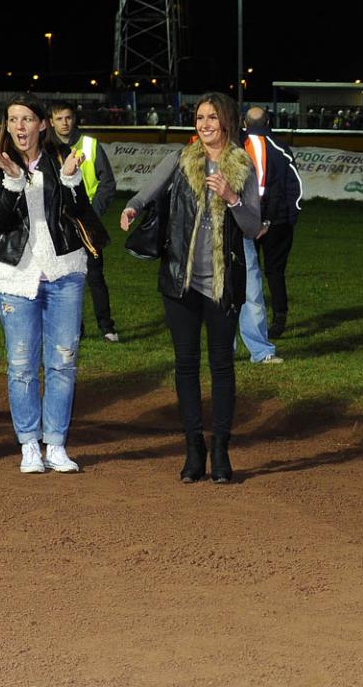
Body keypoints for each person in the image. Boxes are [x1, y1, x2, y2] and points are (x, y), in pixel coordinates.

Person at [121, 92, 261, 484]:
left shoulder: (242, 165)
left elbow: (253, 226)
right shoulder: (182, 160)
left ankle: (220, 449)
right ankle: (193, 448)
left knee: (221, 366)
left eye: (212, 117)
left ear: (227, 122)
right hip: (179, 282)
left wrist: (232, 197)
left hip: (221, 285)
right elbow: (148, 191)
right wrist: (132, 207)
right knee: (185, 365)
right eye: (200, 118)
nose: (205, 124)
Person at [0, 94, 93, 474]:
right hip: (15, 275)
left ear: (42, 124)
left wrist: (72, 180)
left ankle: (56, 444)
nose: (20, 127)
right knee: (22, 364)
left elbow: (81, 212)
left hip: (65, 272)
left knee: (62, 362)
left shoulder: (62, 158)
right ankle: (29, 445)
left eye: (27, 119)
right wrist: (13, 183)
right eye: (13, 119)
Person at [50, 100, 119, 342]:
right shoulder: (48, 149)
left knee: (96, 277)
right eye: (59, 119)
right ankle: (74, 329)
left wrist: (92, 213)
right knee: (66, 279)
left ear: (75, 119)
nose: (64, 123)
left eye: (68, 117)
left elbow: (108, 184)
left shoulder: (89, 145)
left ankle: (107, 327)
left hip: (88, 224)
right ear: (51, 122)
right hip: (61, 225)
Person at [243, 105, 303, 340]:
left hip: (247, 220)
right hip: (278, 223)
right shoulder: (281, 149)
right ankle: (279, 318)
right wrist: (291, 218)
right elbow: (294, 186)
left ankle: (247, 320)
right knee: (274, 272)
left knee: (248, 273)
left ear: (244, 123)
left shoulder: (239, 148)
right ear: (268, 121)